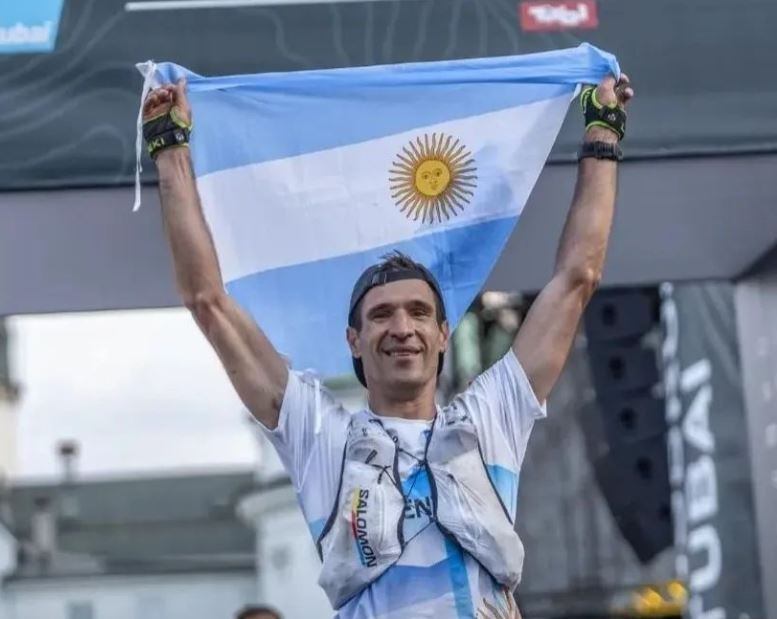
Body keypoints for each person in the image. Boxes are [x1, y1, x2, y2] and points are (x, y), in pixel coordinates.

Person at [143, 70, 632, 619]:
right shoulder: (321, 439)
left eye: (420, 312)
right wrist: (170, 150)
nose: (402, 327)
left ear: (442, 334)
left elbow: (577, 278)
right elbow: (208, 301)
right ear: (353, 339)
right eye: (381, 315)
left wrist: (602, 135)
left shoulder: (490, 417)